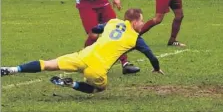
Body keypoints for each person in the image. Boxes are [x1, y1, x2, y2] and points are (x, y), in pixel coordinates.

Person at [1, 9, 164, 94]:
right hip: (97, 69)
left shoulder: (113, 22)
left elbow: (96, 28)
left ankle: (13, 69)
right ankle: (72, 84)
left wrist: (97, 31)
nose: (142, 23)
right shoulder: (136, 38)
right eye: (141, 20)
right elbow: (150, 55)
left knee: (48, 64)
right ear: (134, 22)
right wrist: (156, 68)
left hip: (83, 55)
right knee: (99, 89)